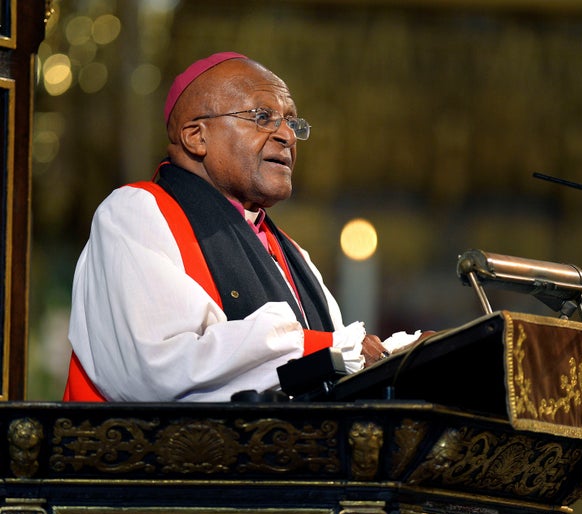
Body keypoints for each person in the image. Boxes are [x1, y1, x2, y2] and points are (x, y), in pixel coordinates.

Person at [63, 52, 405, 402]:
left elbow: (340, 363)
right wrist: (333, 347)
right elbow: (157, 367)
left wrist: (406, 355)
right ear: (197, 136)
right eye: (262, 117)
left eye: (291, 122)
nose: (287, 135)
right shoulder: (135, 214)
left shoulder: (289, 252)